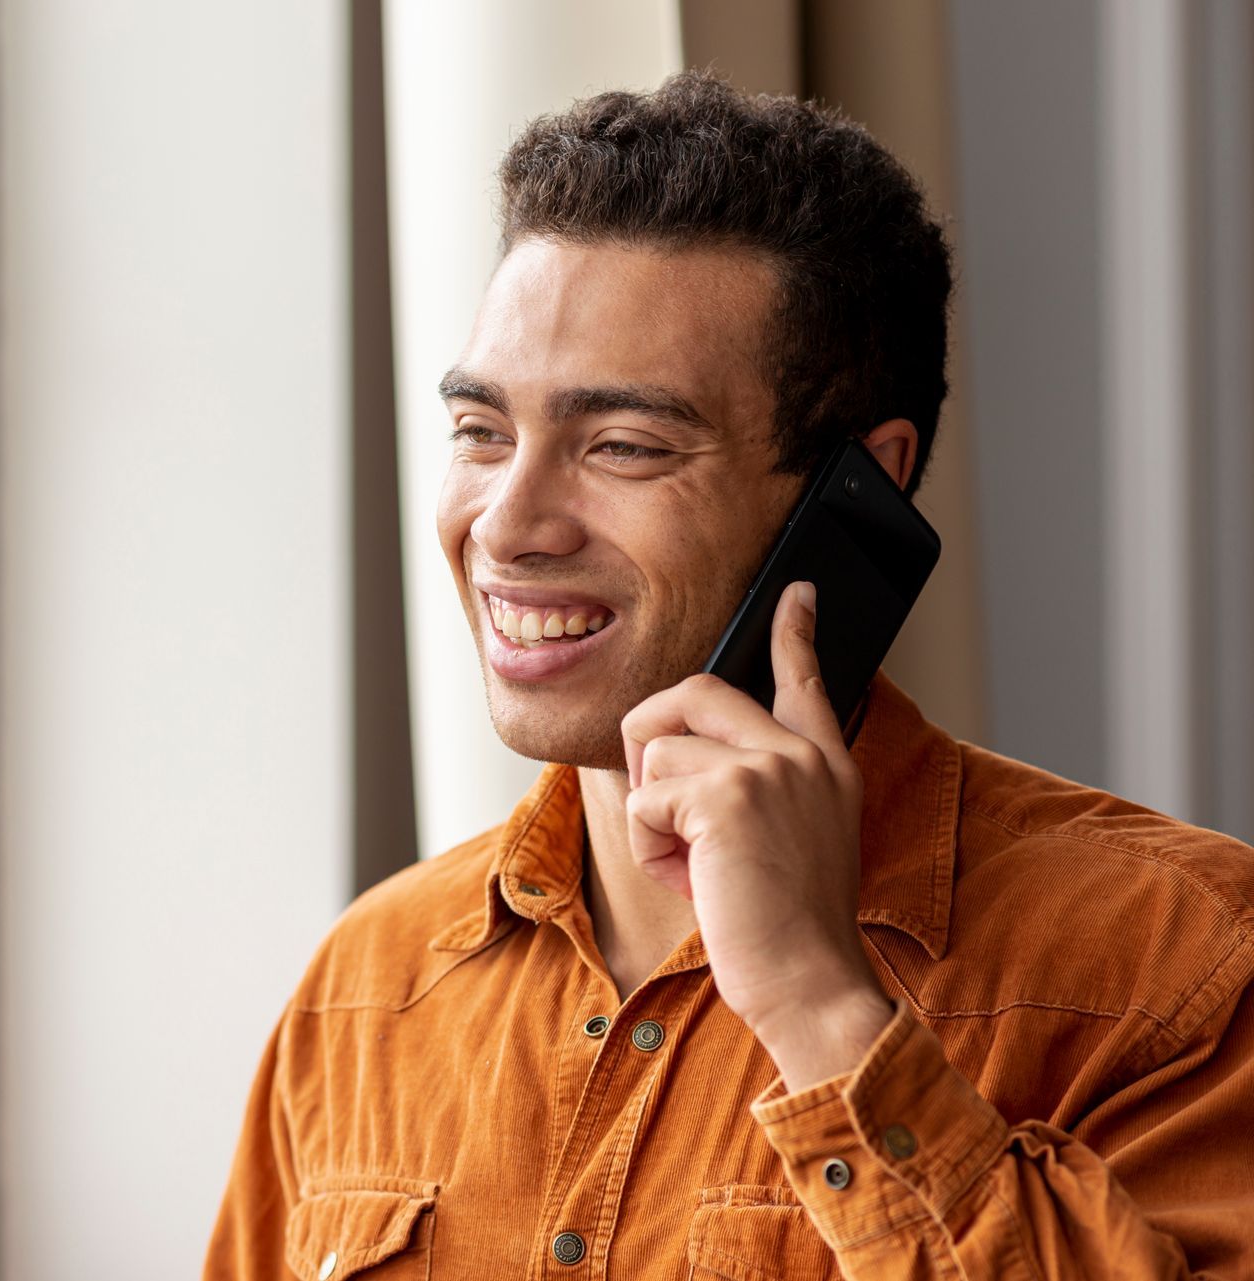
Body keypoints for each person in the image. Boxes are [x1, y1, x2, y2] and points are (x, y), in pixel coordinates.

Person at [202, 70, 1254, 1280]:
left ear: (857, 489)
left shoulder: (1182, 965)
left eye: (624, 446)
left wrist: (820, 1004)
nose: (507, 524)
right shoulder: (367, 990)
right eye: (482, 431)